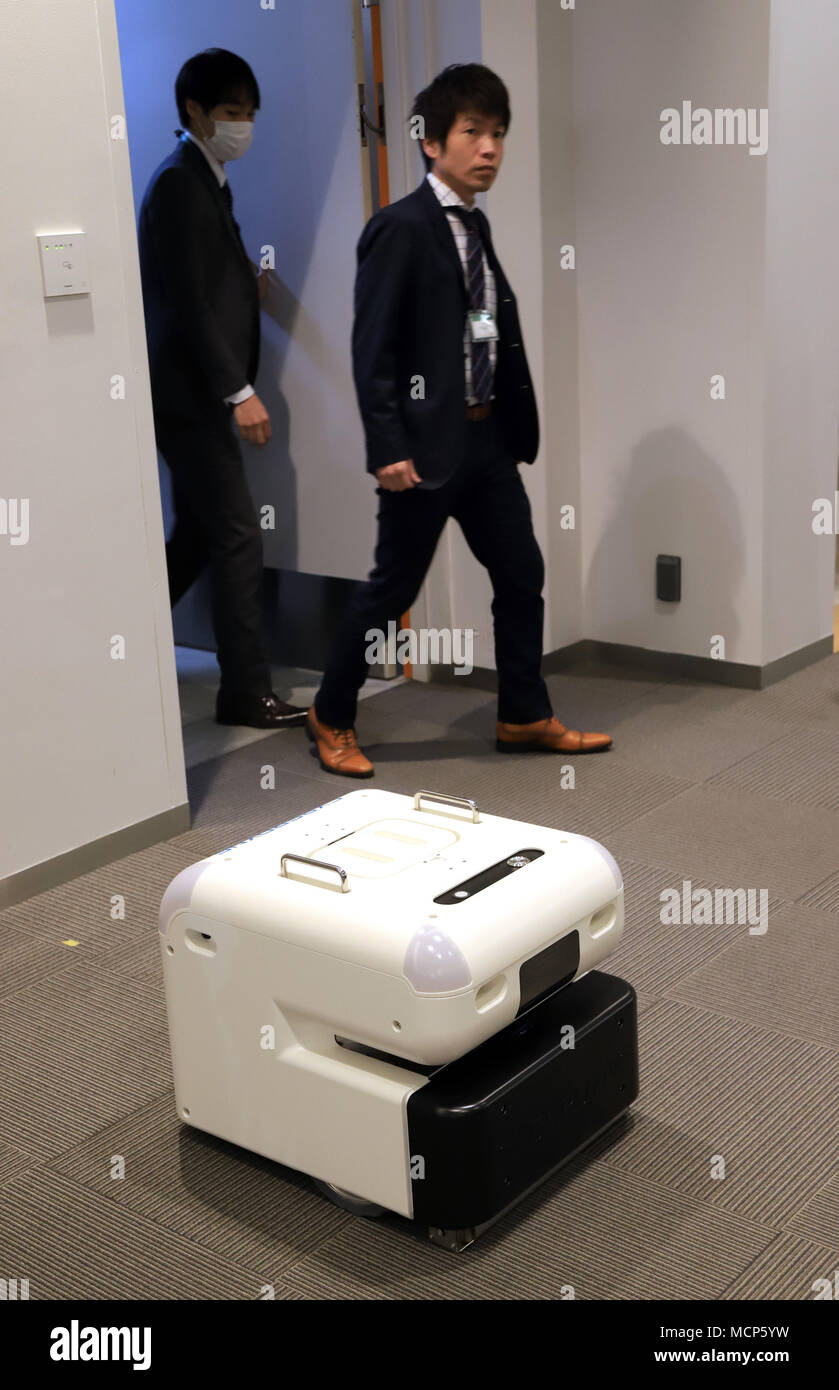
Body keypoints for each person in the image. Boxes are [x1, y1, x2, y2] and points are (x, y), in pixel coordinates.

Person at [306, 63, 612, 777]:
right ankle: (330, 710)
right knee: (393, 590)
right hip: (420, 451)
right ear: (430, 141)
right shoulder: (399, 228)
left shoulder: (474, 226)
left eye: (498, 134)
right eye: (473, 132)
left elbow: (477, 327)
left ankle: (522, 713)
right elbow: (371, 349)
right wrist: (385, 445)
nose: (489, 149)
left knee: (520, 572)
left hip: (484, 441)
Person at [138, 48, 305, 729]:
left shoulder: (208, 178)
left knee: (201, 538)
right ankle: (244, 692)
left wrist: (246, 282)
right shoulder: (180, 183)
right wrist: (239, 391)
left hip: (193, 393)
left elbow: (208, 279)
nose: (243, 126)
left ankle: (124, 639)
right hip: (192, 397)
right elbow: (186, 304)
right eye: (231, 113)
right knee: (238, 535)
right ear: (194, 112)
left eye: (249, 114)